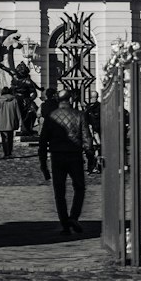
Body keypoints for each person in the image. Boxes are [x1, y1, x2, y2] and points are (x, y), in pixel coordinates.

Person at [38, 93, 95, 237]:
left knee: (59, 192)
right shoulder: (79, 115)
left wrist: (43, 164)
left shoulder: (51, 117)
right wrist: (90, 156)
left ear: (58, 100)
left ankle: (64, 223)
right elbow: (86, 137)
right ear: (71, 99)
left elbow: (43, 141)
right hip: (74, 155)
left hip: (57, 156)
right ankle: (74, 217)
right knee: (79, 187)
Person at [0, 86, 22, 158]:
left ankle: (6, 153)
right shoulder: (14, 100)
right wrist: (19, 120)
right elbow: (17, 111)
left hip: (1, 121)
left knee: (4, 138)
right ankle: (9, 152)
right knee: (10, 138)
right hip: (11, 121)